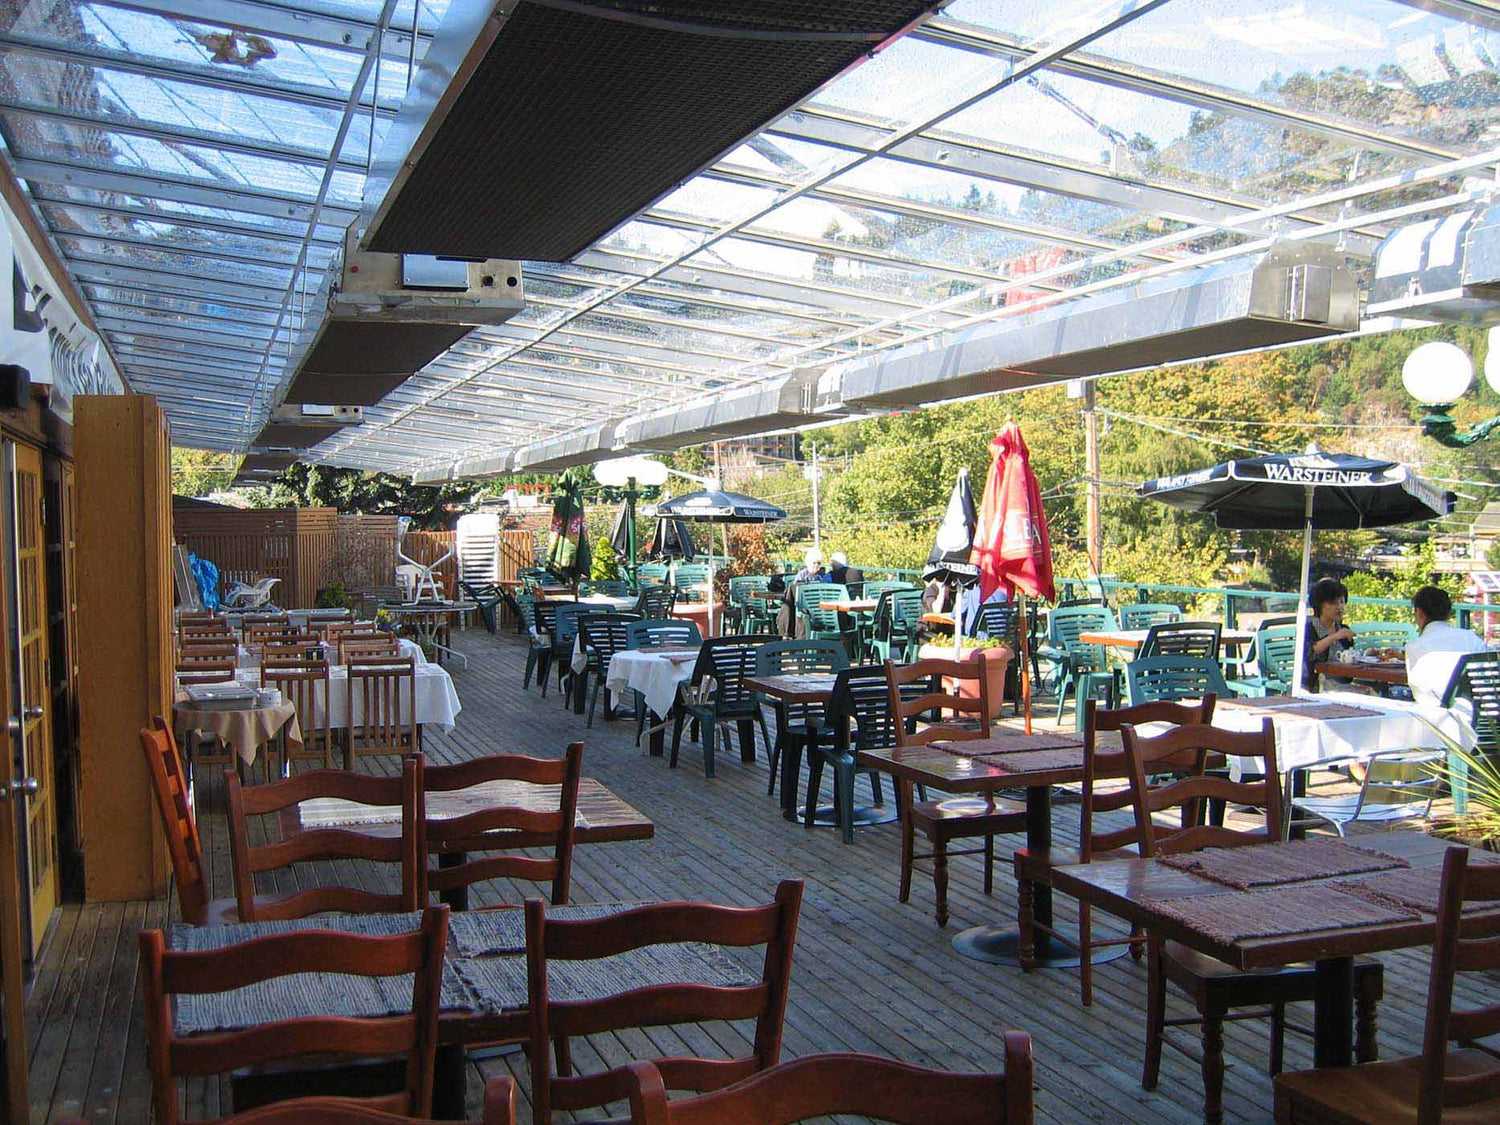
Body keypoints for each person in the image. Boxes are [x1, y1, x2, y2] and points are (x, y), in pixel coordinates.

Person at [1406, 585, 1486, 708]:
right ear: (1449, 613)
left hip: (1437, 720)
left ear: (1420, 613)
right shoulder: (1472, 639)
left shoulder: (1415, 647)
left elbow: (1420, 693)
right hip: (1479, 718)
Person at [1303, 577, 1356, 693]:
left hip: (1341, 684)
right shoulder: (1309, 628)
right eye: (1333, 603)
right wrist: (1334, 637)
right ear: (1319, 605)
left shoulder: (1344, 630)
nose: (1339, 607)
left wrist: (1368, 654)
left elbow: (1349, 657)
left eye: (1342, 602)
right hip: (1314, 686)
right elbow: (1311, 651)